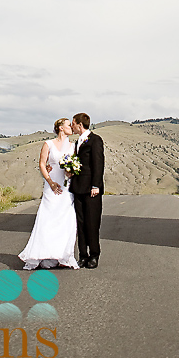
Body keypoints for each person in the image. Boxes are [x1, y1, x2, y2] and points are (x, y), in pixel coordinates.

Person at [18, 117, 79, 270]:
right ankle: (42, 254)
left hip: (66, 187)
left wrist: (71, 172)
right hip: (51, 186)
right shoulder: (48, 144)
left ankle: (61, 255)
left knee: (65, 220)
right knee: (47, 218)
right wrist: (50, 182)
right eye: (68, 125)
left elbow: (76, 164)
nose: (71, 127)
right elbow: (42, 163)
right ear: (60, 128)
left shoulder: (73, 146)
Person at [69, 112, 104, 269]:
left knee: (92, 223)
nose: (71, 126)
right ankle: (82, 255)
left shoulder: (95, 140)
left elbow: (98, 164)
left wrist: (96, 185)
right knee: (80, 223)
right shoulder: (77, 142)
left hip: (91, 190)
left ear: (79, 125)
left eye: (73, 123)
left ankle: (94, 254)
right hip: (78, 188)